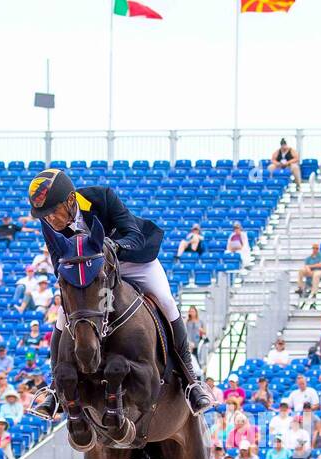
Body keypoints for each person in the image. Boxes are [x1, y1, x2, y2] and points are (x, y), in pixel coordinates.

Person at [25, 168, 211, 415]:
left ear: (70, 200)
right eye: (44, 216)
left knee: (166, 302)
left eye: (53, 212)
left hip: (133, 260)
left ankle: (191, 381)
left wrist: (110, 246)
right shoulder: (49, 221)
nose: (50, 219)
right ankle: (54, 388)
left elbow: (134, 235)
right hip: (92, 273)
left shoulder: (101, 198)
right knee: (63, 316)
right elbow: (59, 259)